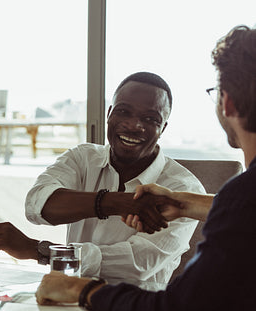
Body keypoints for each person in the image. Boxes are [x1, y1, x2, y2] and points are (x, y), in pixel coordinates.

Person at [35, 25, 256, 310]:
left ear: (227, 102)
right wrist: (186, 204)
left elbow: (180, 306)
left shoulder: (241, 196)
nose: (134, 125)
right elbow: (37, 202)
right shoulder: (238, 199)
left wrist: (84, 290)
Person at [0, 72, 205, 284]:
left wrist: (40, 251)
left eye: (150, 119)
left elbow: (136, 265)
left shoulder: (182, 190)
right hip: (67, 300)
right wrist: (119, 203)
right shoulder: (83, 158)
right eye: (124, 112)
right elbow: (37, 204)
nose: (133, 125)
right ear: (109, 114)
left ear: (163, 128)